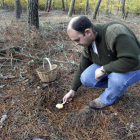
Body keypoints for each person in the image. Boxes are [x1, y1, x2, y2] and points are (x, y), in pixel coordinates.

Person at [63, 16, 140, 110]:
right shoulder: (88, 43)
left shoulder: (115, 32)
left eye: (77, 40)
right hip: (114, 62)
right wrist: (73, 89)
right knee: (85, 77)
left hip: (135, 65)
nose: (76, 44)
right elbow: (82, 66)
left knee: (115, 79)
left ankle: (107, 99)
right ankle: (117, 87)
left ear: (88, 32)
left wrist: (104, 69)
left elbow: (132, 60)